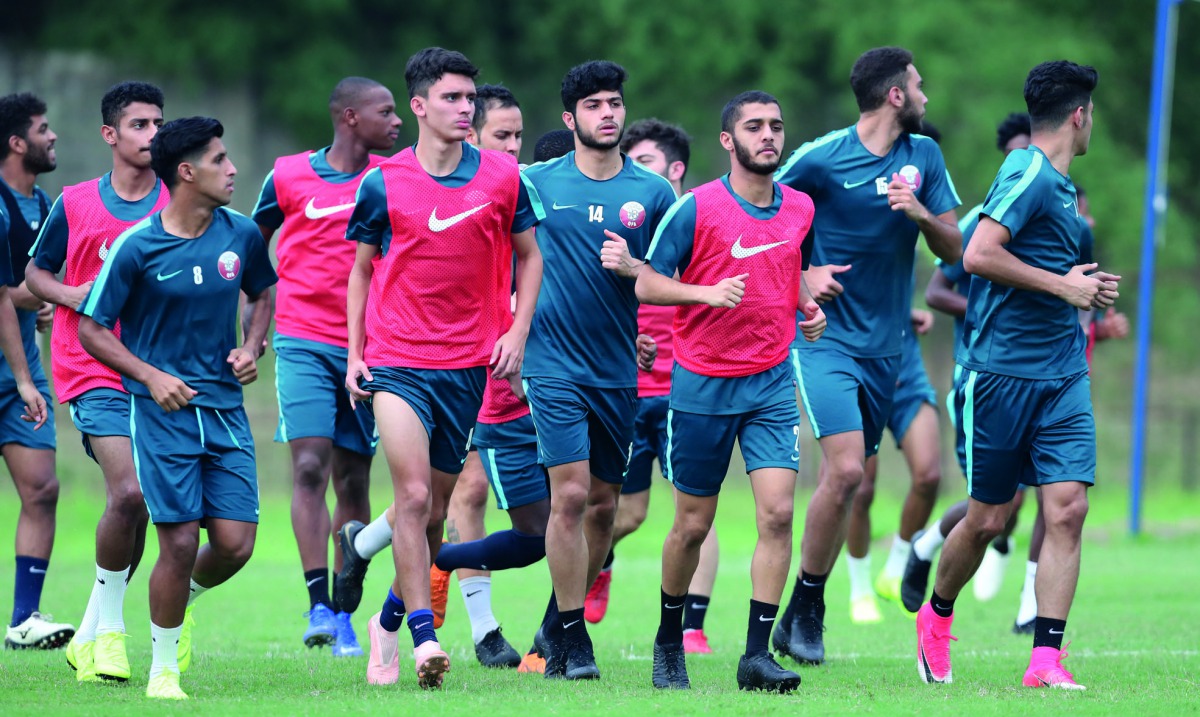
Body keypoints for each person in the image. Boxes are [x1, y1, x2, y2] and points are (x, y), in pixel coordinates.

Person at [344, 47, 542, 690]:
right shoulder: (383, 181)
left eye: (470, 99)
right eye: (453, 98)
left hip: (468, 367)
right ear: (420, 106)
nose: (466, 109)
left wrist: (516, 329)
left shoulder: (503, 179)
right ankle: (426, 639)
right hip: (397, 359)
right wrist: (354, 353)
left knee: (432, 519)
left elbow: (530, 258)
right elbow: (361, 269)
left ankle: (385, 624)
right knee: (415, 498)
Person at [914, 60, 1114, 691]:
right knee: (989, 518)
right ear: (1080, 115)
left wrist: (1086, 292)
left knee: (1068, 508)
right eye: (1092, 114)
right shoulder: (1026, 172)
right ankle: (936, 617)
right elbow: (976, 255)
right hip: (998, 376)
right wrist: (1063, 286)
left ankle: (1045, 661)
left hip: (1061, 375)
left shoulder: (1059, 185)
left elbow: (1055, 277)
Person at [773, 46, 962, 664]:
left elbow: (957, 248)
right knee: (848, 471)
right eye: (920, 86)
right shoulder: (822, 159)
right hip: (824, 339)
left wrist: (921, 213)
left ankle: (806, 603)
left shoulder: (924, 156)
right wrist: (803, 278)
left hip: (890, 350)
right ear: (895, 95)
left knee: (861, 479)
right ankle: (807, 606)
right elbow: (756, 215)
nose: (927, 97)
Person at [79, 116, 278, 700]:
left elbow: (262, 294)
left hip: (225, 411)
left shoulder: (241, 234)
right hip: (160, 415)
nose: (234, 168)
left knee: (237, 544)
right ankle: (163, 673)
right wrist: (148, 375)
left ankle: (179, 601)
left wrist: (251, 345)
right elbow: (93, 329)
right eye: (220, 160)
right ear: (186, 173)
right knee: (180, 541)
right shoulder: (136, 246)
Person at [633, 90, 824, 692]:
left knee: (778, 514)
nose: (768, 135)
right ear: (728, 141)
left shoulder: (800, 208)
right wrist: (702, 294)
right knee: (693, 524)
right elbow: (645, 282)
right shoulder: (697, 208)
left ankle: (755, 656)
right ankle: (669, 645)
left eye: (776, 125)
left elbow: (790, 271)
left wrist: (808, 309)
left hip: (770, 382)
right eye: (754, 126)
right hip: (703, 384)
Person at [519, 60, 677, 681]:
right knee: (573, 494)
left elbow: (671, 280)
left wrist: (636, 270)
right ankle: (573, 636)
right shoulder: (534, 184)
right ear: (570, 118)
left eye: (614, 103)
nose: (608, 113)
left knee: (606, 509)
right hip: (552, 364)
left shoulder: (653, 193)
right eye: (593, 105)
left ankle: (555, 627)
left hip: (618, 371)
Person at [251, 76, 400, 656]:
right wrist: (254, 328)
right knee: (309, 466)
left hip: (370, 347)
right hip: (303, 341)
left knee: (354, 479)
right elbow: (248, 245)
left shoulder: (392, 179)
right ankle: (317, 603)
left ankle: (343, 609)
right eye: (385, 112)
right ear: (348, 117)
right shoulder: (287, 174)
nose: (396, 122)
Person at [25, 82, 168, 679]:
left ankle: (87, 632)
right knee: (129, 493)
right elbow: (37, 272)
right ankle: (109, 634)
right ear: (110, 135)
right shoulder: (78, 201)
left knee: (142, 510)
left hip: (155, 370)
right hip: (87, 365)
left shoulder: (177, 203)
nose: (152, 135)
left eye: (159, 124)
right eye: (139, 125)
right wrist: (70, 295)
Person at [588, 118, 719, 655]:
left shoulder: (705, 220)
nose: (632, 174)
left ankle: (694, 626)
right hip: (628, 389)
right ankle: (601, 561)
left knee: (698, 512)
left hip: (690, 389)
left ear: (676, 169)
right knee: (628, 513)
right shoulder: (625, 226)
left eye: (642, 162)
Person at [903, 112, 1033, 614]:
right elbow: (937, 290)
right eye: (1018, 153)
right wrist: (991, 310)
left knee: (1049, 497)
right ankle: (929, 543)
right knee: (999, 502)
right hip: (983, 377)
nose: (1029, 162)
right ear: (1006, 158)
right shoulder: (983, 219)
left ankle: (1019, 590)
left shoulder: (1057, 213)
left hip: (1041, 376)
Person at [430, 82, 527, 666]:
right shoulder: (453, 191)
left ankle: (364, 545)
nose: (514, 148)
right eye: (502, 136)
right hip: (456, 362)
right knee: (459, 489)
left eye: (519, 135)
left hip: (521, 364)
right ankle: (485, 630)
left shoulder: (522, 191)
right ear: (471, 135)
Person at [0, 91, 66, 651]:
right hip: (16, 373)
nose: (52, 137)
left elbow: (24, 288)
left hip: (20, 370)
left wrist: (39, 300)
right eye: (43, 129)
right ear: (17, 142)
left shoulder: (44, 207)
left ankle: (24, 619)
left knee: (42, 489)